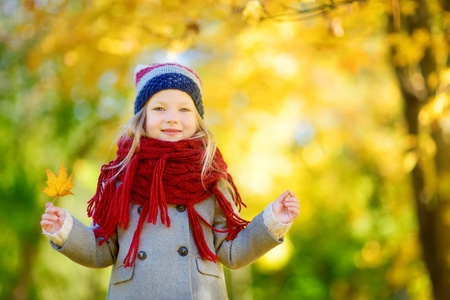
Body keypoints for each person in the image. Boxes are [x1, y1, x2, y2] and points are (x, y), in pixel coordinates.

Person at [41, 63, 300, 300]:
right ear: (141, 118)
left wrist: (272, 222)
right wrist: (66, 229)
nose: (172, 118)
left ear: (198, 118)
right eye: (159, 108)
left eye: (184, 109)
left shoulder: (210, 179)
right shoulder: (121, 178)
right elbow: (102, 250)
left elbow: (231, 252)